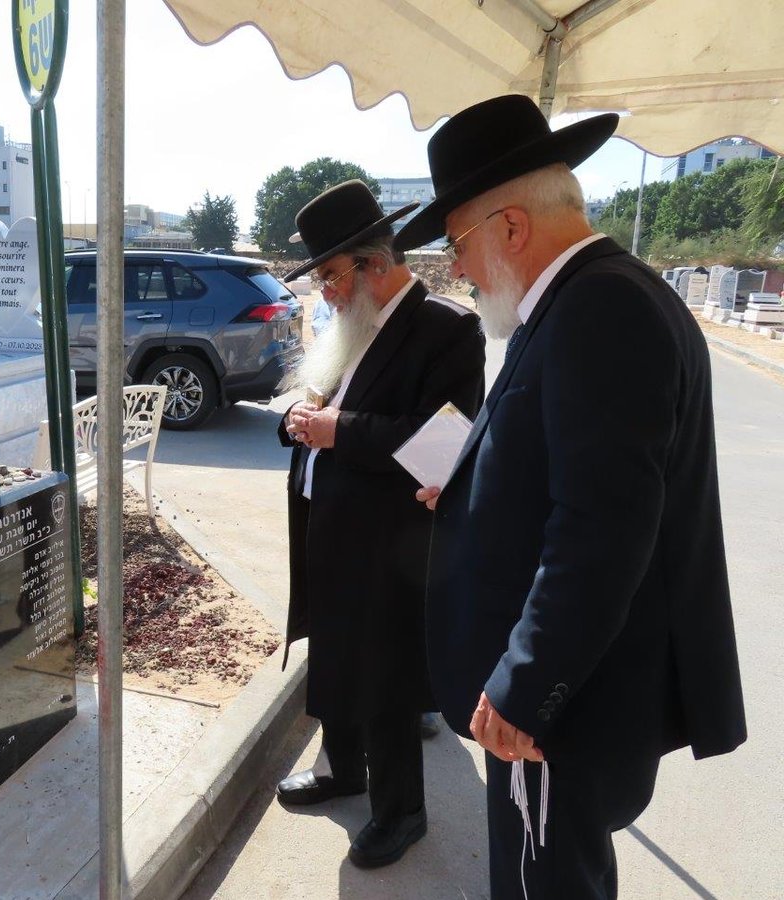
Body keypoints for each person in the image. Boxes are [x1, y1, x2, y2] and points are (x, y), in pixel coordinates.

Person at [393, 94, 746, 898]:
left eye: (458, 246)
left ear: (511, 228)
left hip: (560, 710)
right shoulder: (580, 301)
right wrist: (471, 484)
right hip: (568, 697)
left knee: (544, 887)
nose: (460, 271)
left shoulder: (601, 309)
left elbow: (605, 525)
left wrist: (526, 686)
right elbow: (569, 471)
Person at [275, 180, 485, 868]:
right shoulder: (350, 324)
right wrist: (296, 423)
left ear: (372, 263)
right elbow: (312, 404)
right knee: (335, 655)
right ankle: (344, 771)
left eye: (331, 276)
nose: (326, 292)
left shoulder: (446, 329)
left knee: (387, 680)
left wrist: (341, 430)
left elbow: (446, 441)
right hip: (327, 528)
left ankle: (402, 813)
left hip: (389, 543)